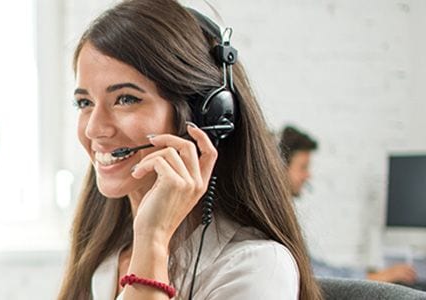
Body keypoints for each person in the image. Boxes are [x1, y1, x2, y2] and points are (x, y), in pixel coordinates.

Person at [57, 0, 323, 299]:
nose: (94, 129)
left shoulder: (256, 268)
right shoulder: (106, 254)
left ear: (202, 117)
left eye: (126, 99)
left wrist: (153, 240)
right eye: (85, 103)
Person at [279, 125, 418, 284]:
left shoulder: (283, 214)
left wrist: (371, 274)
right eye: (303, 167)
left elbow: (315, 266)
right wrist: (377, 278)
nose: (308, 175)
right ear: (280, 168)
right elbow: (317, 276)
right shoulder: (276, 219)